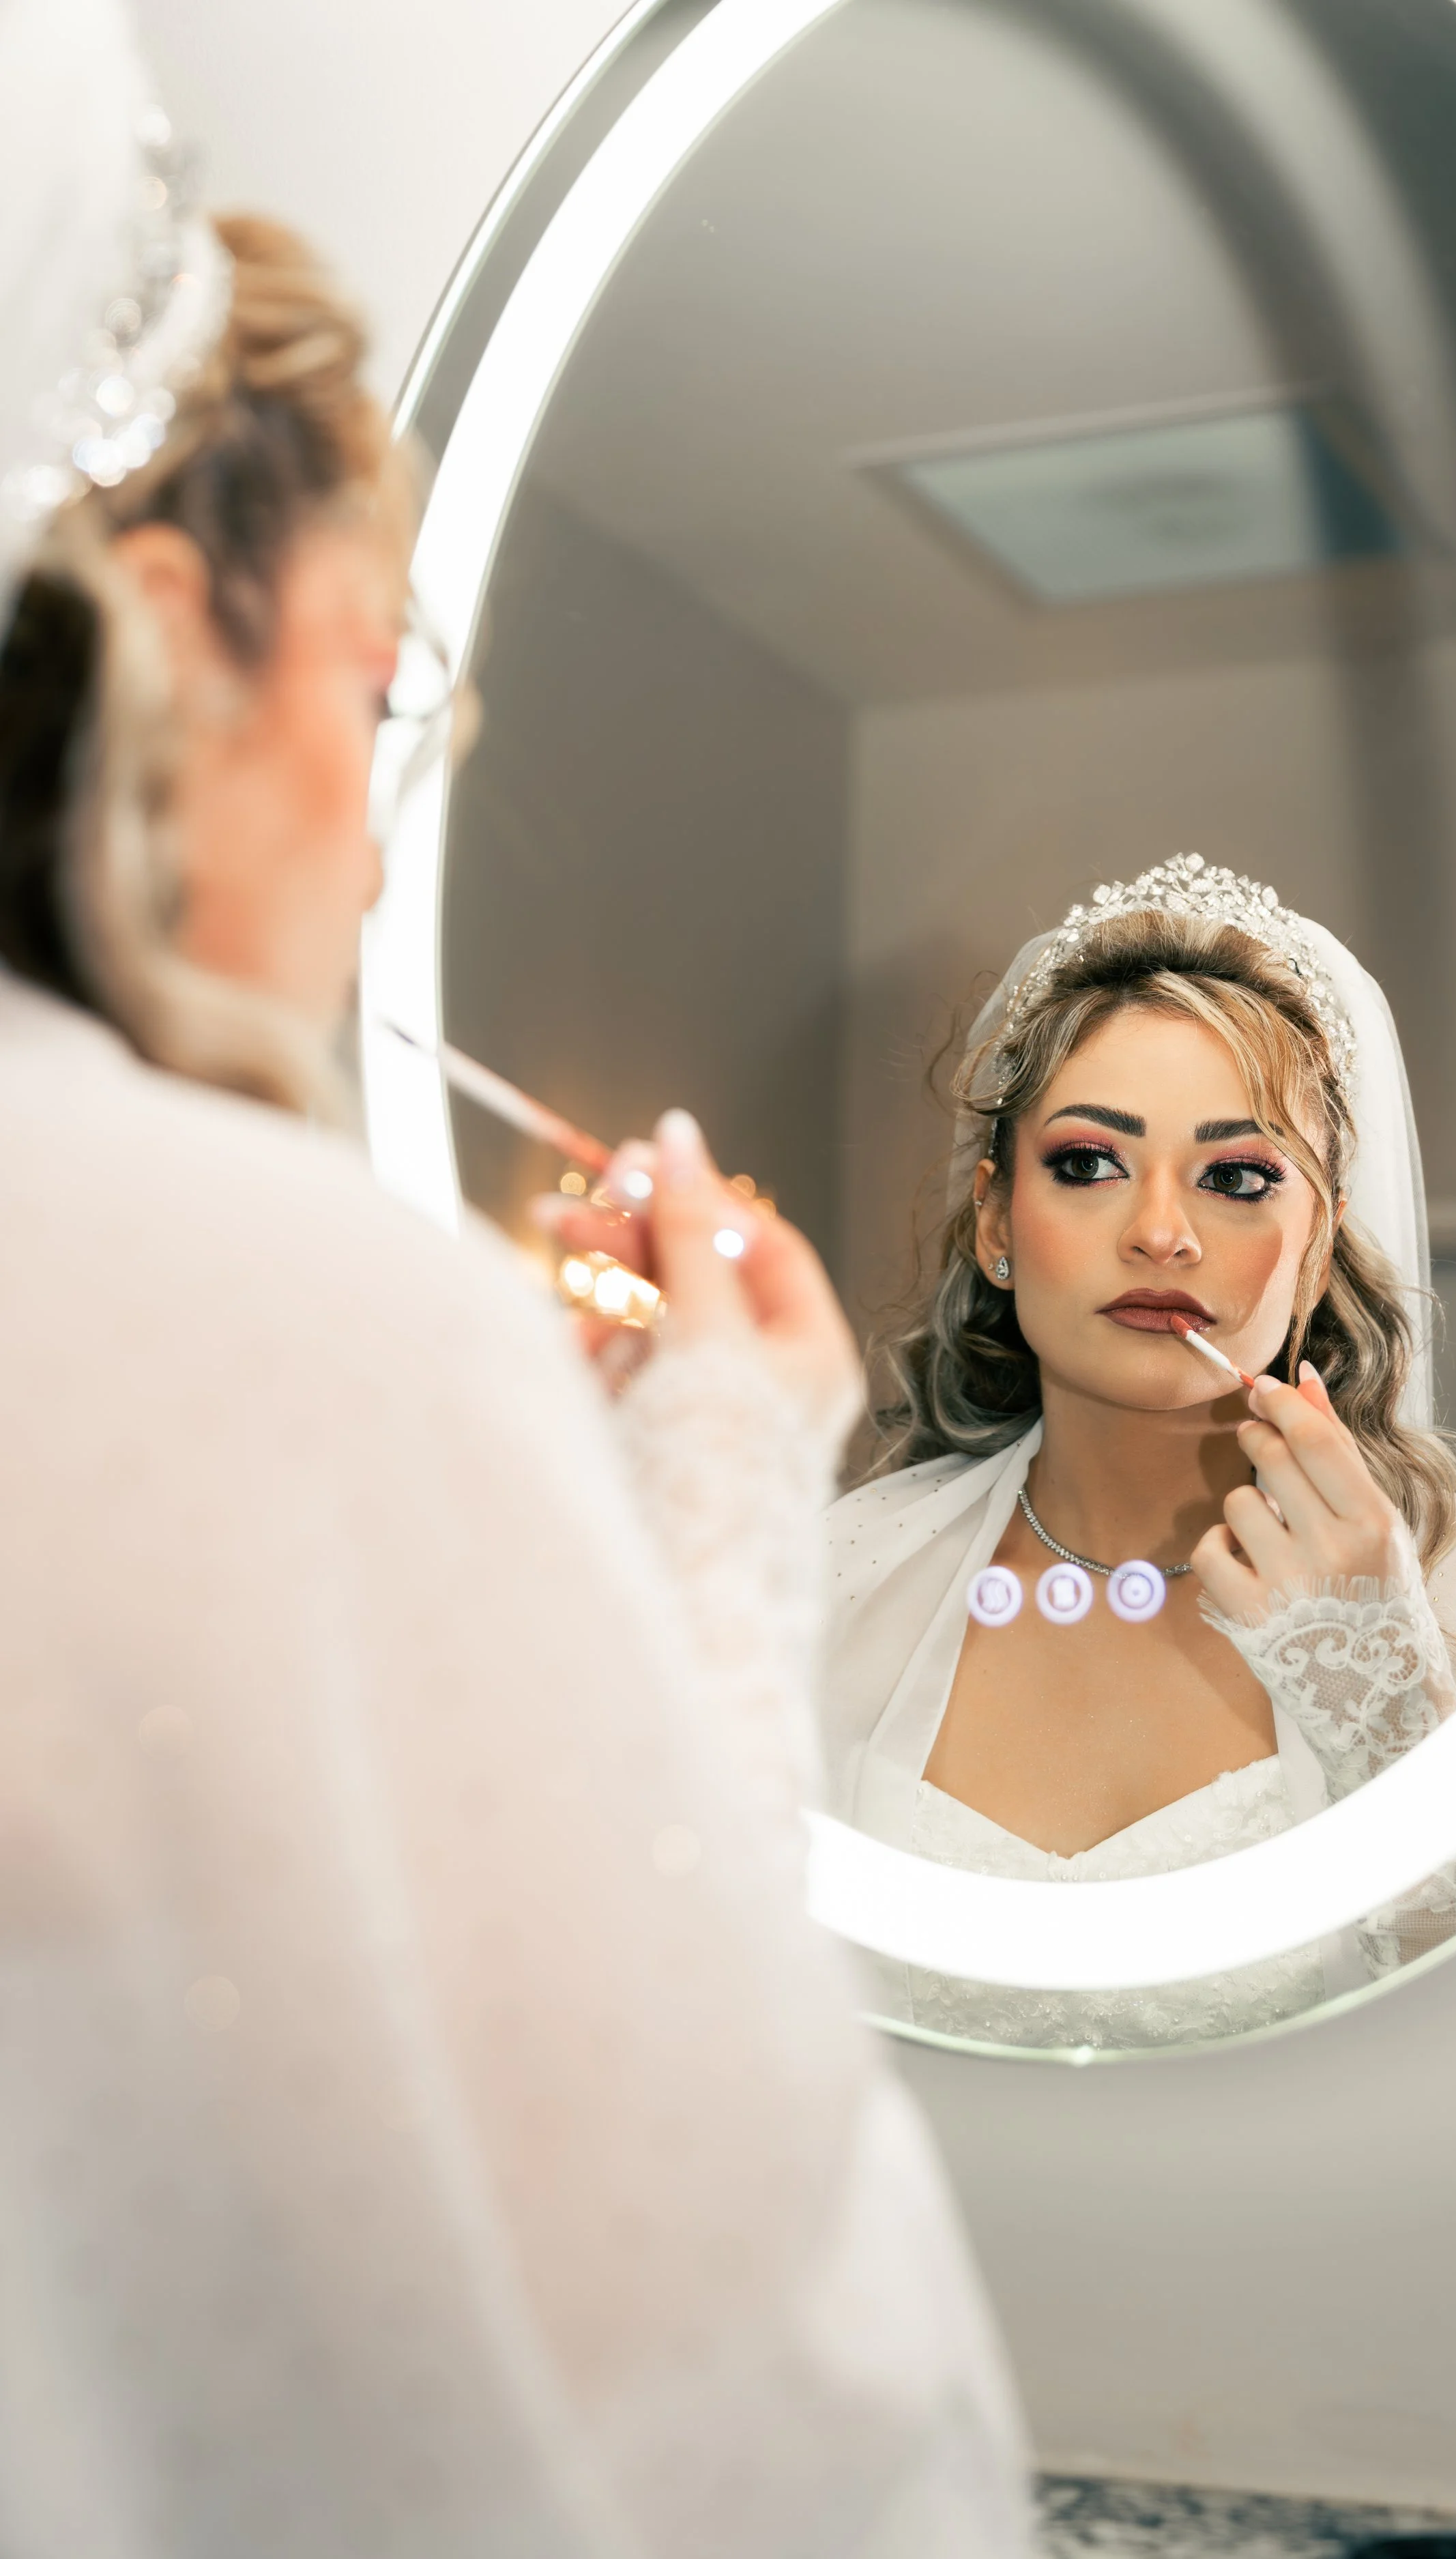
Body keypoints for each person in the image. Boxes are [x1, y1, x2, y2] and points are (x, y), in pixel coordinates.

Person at [0, 12, 1028, 2551]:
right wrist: (719, 1483)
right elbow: (755, 2414)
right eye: (380, 683)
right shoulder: (306, 1322)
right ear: (163, 625)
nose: (377, 832)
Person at [824, 860, 1456, 2051]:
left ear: (1319, 1242)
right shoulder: (840, 1583)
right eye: (1086, 1162)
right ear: (997, 1220)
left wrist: (1391, 1721)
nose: (1161, 1231)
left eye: (1236, 1177)